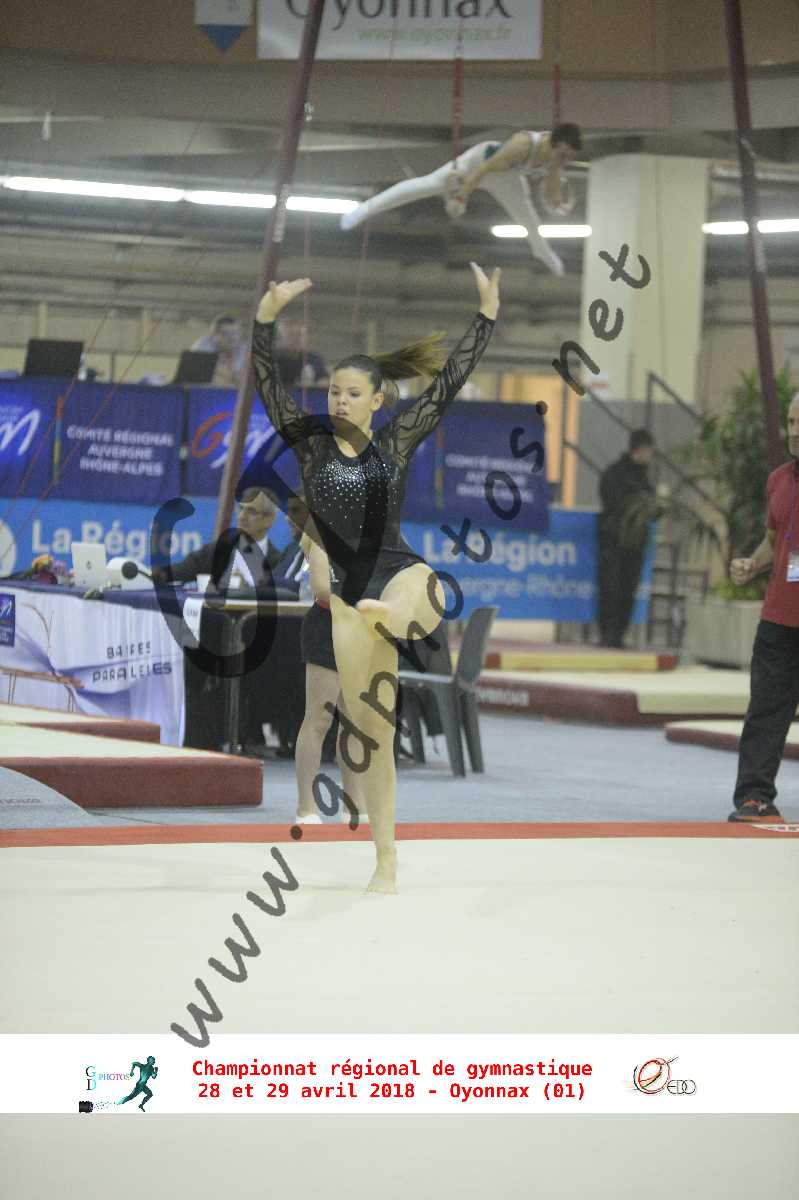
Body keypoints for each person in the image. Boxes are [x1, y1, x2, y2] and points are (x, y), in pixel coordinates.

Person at [251, 261, 499, 892]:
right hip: (345, 596)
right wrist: (265, 319)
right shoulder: (311, 446)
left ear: (378, 400)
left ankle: (395, 614)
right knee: (372, 733)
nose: (339, 400)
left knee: (425, 585)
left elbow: (447, 386)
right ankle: (386, 860)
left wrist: (487, 317)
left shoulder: (396, 442)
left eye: (353, 393)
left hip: (393, 570)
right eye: (334, 391)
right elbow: (268, 389)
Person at [340, 124, 582, 276]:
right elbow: (484, 170)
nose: (566, 160)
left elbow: (553, 185)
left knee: (528, 216)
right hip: (478, 164)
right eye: (564, 154)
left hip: (508, 178)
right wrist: (461, 196)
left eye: (569, 157)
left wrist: (557, 202)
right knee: (427, 185)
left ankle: (541, 251)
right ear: (556, 144)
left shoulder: (556, 156)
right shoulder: (522, 145)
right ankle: (365, 209)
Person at [727, 391, 799, 824]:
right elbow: (775, 540)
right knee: (766, 712)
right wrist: (752, 564)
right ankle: (754, 797)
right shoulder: (778, 480)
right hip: (778, 620)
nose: (795, 431)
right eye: (791, 422)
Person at [596, 429, 664, 649]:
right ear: (640, 449)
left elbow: (651, 511)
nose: (649, 455)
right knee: (610, 587)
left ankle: (619, 634)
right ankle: (607, 633)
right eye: (648, 450)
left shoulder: (644, 477)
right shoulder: (615, 473)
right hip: (614, 539)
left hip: (635, 542)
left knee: (628, 588)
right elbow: (612, 502)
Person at [151, 487, 282, 590]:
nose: (242, 516)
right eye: (241, 509)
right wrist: (161, 575)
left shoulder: (279, 563)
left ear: (269, 520)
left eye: (251, 511)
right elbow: (181, 570)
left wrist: (248, 589)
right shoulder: (215, 551)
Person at [191, 314, 247, 388]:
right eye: (227, 334)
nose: (233, 338)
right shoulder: (202, 346)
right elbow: (212, 379)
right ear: (213, 335)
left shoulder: (244, 350)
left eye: (236, 333)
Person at [274, 317, 329, 387]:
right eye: (291, 335)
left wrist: (318, 383)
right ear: (278, 339)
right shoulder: (270, 359)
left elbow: (325, 381)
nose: (297, 339)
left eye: (300, 335)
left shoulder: (314, 358)